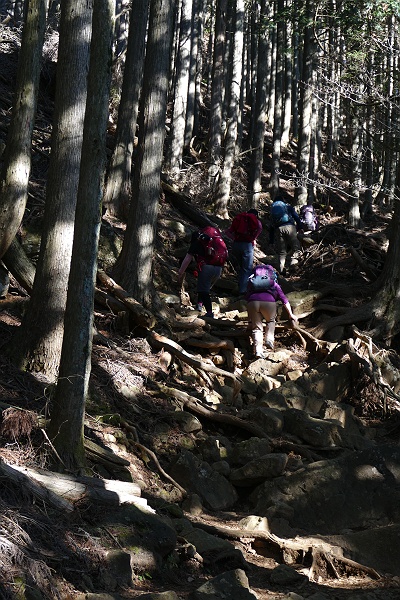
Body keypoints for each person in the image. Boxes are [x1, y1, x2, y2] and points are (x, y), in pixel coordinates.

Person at [246, 264, 298, 359]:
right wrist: (291, 314)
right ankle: (269, 339)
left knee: (257, 328)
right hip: (269, 302)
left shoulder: (252, 282)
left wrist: (250, 320)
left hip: (252, 302)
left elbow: (247, 298)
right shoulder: (273, 283)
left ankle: (258, 350)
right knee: (270, 321)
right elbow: (284, 300)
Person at [177, 227, 226, 318]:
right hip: (218, 269)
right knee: (204, 288)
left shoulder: (197, 243)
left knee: (203, 290)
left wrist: (180, 272)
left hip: (206, 268)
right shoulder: (214, 242)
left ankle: (209, 312)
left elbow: (188, 259)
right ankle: (199, 305)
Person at [224, 208, 262, 295]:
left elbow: (229, 232)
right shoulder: (257, 222)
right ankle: (243, 290)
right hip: (247, 246)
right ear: (256, 216)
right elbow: (256, 234)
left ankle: (239, 285)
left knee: (240, 266)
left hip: (236, 245)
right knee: (246, 268)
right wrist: (252, 239)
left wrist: (235, 238)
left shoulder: (239, 219)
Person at [269, 196, 303, 275]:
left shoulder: (272, 211)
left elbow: (271, 227)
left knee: (282, 252)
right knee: (296, 247)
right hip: (290, 227)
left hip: (278, 229)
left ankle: (281, 270)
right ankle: (293, 265)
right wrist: (300, 227)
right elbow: (296, 217)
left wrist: (271, 241)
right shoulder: (288, 207)